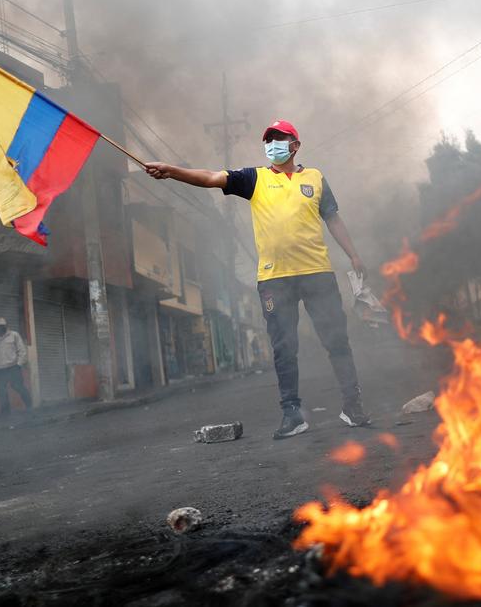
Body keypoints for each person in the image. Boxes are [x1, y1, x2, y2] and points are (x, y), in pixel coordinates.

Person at [143, 119, 371, 439]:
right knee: (283, 348)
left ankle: (353, 406)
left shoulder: (316, 178)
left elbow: (332, 218)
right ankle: (292, 414)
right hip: (274, 278)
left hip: (317, 272)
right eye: (268, 140)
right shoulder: (255, 178)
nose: (272, 144)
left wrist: (353, 254)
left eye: (279, 138)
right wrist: (170, 170)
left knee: (337, 341)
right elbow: (211, 177)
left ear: (295, 145)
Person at [0, 317, 32, 417]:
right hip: (0, 370)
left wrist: (18, 365)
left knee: (18, 387)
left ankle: (30, 408)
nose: (1, 328)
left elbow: (22, 351)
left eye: (2, 326)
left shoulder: (14, 335)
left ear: (6, 326)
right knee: (2, 391)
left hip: (13, 367)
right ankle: (5, 413)